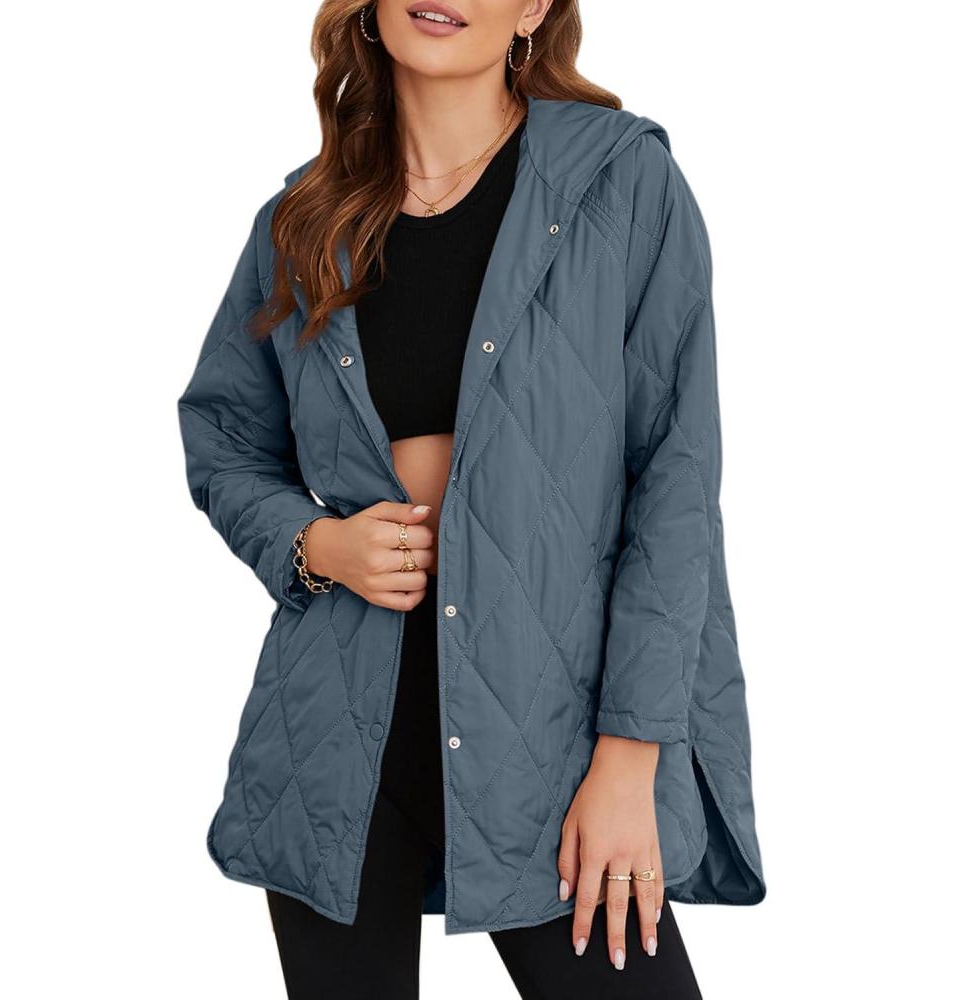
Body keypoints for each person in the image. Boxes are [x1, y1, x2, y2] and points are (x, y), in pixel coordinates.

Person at [177, 1, 766, 996]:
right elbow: (224, 439)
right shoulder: (303, 221)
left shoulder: (619, 182)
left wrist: (630, 762)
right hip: (339, 738)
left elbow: (674, 488)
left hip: (553, 729)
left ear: (533, 8)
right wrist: (316, 543)